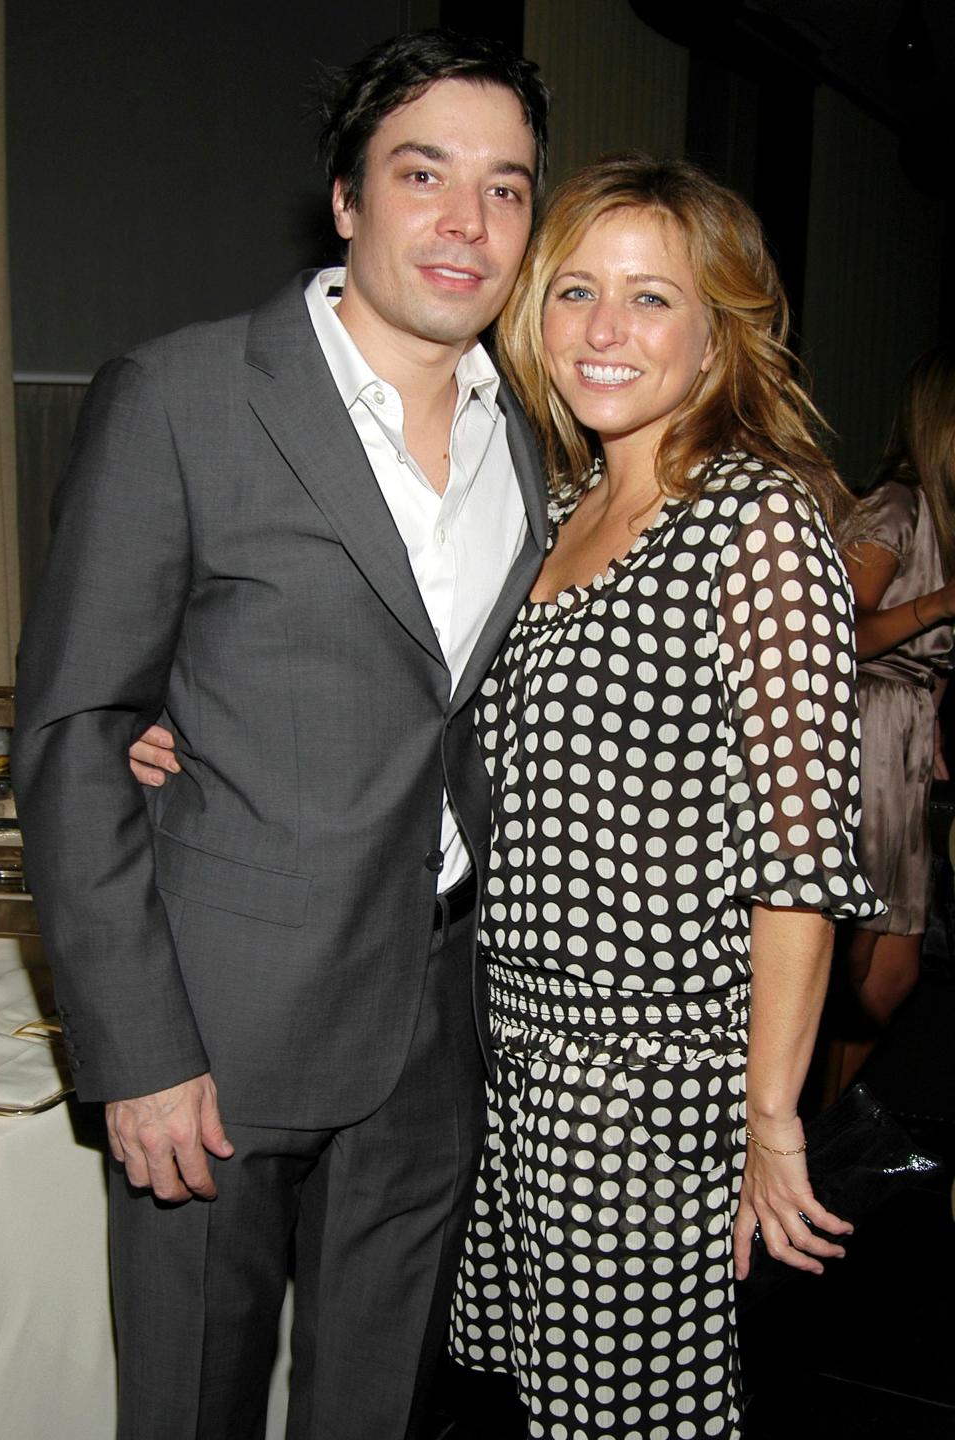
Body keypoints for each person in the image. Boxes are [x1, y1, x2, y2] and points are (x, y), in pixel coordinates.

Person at [11, 30, 550, 1440]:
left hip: (436, 1025)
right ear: (348, 199)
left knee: (377, 1407)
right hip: (218, 1028)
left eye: (506, 189)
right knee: (192, 1402)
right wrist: (133, 1047)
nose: (465, 221)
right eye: (423, 173)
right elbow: (74, 728)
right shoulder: (185, 395)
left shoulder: (534, 435)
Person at [438, 155, 882, 1439]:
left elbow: (802, 854)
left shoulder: (754, 519)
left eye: (651, 298)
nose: (605, 331)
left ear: (718, 332)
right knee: (554, 1414)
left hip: (647, 1089)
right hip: (522, 1069)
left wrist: (770, 1117)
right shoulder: (564, 506)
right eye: (576, 289)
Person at [838, 346, 955, 1090]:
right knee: (850, 964)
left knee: (894, 974)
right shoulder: (896, 504)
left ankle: (826, 1133)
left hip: (907, 733)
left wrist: (935, 719)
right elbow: (838, 634)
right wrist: (939, 605)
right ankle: (795, 1146)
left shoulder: (944, 515)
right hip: (867, 726)